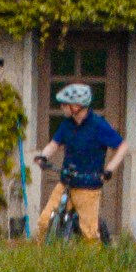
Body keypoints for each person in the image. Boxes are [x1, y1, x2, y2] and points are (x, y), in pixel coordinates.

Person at [45, 80, 122, 243]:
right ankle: (43, 261)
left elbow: (122, 147)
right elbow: (54, 144)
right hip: (66, 181)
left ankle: (94, 266)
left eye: (65, 104)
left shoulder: (98, 125)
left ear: (77, 106)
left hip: (88, 185)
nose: (62, 107)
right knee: (44, 223)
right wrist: (43, 156)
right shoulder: (67, 124)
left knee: (89, 235)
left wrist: (109, 169)